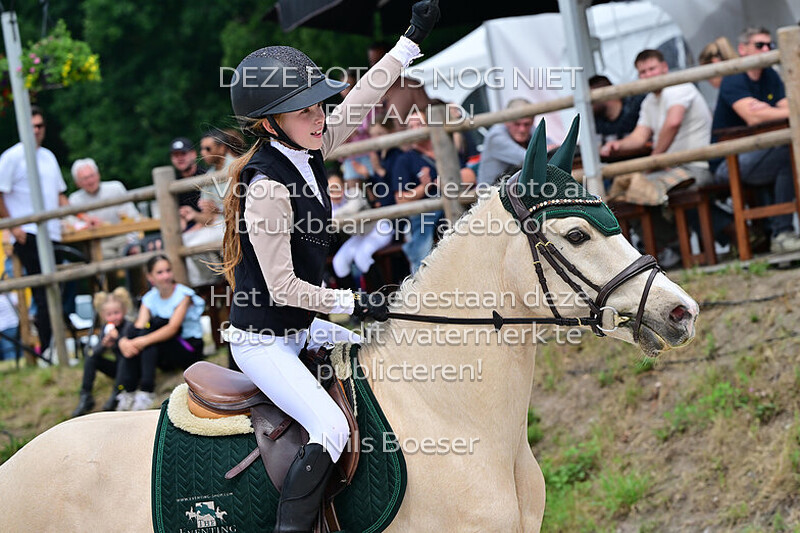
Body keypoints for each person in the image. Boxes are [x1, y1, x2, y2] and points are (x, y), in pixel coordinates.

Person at [218, 2, 439, 530]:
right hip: (263, 341)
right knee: (331, 428)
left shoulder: (309, 149)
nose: (320, 118)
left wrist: (409, 40)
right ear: (270, 124)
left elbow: (362, 98)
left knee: (380, 361)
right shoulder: (267, 187)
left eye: (319, 107)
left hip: (299, 328)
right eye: (306, 112)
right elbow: (282, 287)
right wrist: (354, 300)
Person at [710, 27, 800, 253]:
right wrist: (773, 110)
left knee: (787, 153)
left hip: (761, 152)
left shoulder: (770, 75)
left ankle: (779, 233)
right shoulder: (733, 77)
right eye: (760, 45)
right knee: (788, 155)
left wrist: (767, 110)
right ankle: (782, 233)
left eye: (770, 45)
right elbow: (753, 116)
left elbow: (788, 108)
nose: (766, 49)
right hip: (727, 162)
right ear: (743, 49)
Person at [601, 49, 713, 204]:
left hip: (695, 167)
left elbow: (673, 123)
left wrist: (654, 160)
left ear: (664, 67)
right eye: (643, 72)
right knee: (624, 193)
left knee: (640, 191)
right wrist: (618, 145)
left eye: (652, 69)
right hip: (671, 169)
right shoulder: (649, 101)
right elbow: (639, 137)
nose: (648, 75)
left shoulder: (678, 87)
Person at [0, 106, 68, 355]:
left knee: (62, 287)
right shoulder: (12, 157)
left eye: (40, 125)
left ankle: (60, 344)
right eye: (32, 126)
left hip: (53, 232)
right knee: (42, 292)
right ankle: (48, 347)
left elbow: (60, 195)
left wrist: (76, 217)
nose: (37, 130)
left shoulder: (48, 156)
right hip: (28, 232)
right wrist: (13, 225)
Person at [117, 255, 205, 411]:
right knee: (139, 334)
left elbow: (172, 328)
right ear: (150, 277)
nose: (166, 276)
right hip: (163, 348)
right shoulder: (149, 298)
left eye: (168, 270)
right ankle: (129, 390)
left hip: (187, 346)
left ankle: (146, 390)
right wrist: (125, 341)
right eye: (160, 272)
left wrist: (141, 341)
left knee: (150, 339)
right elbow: (139, 326)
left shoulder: (184, 295)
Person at [71, 288, 134, 417]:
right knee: (91, 357)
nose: (113, 317)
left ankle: (117, 392)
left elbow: (128, 351)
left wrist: (118, 339)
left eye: (116, 313)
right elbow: (95, 352)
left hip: (131, 369)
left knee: (124, 358)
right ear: (103, 316)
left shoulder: (129, 326)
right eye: (109, 314)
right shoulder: (106, 328)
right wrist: (104, 345)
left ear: (124, 311)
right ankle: (85, 395)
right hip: (118, 369)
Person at [68, 158, 141, 258]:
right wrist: (86, 224)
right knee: (101, 256)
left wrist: (133, 241)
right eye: (85, 179)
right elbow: (72, 224)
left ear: (98, 175)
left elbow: (132, 216)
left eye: (92, 176)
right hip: (97, 242)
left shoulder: (115, 188)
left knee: (134, 252)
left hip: (123, 237)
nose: (90, 181)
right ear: (77, 183)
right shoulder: (74, 199)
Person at [476, 99, 556, 186]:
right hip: (491, 192)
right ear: (507, 121)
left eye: (526, 124)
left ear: (532, 122)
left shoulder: (530, 129)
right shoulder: (495, 137)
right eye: (517, 124)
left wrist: (550, 151)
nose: (522, 129)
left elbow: (554, 151)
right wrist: (548, 151)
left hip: (512, 188)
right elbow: (530, 159)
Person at [588, 75, 646, 144]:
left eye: (592, 100)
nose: (588, 105)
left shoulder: (637, 106)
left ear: (604, 94)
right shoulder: (595, 121)